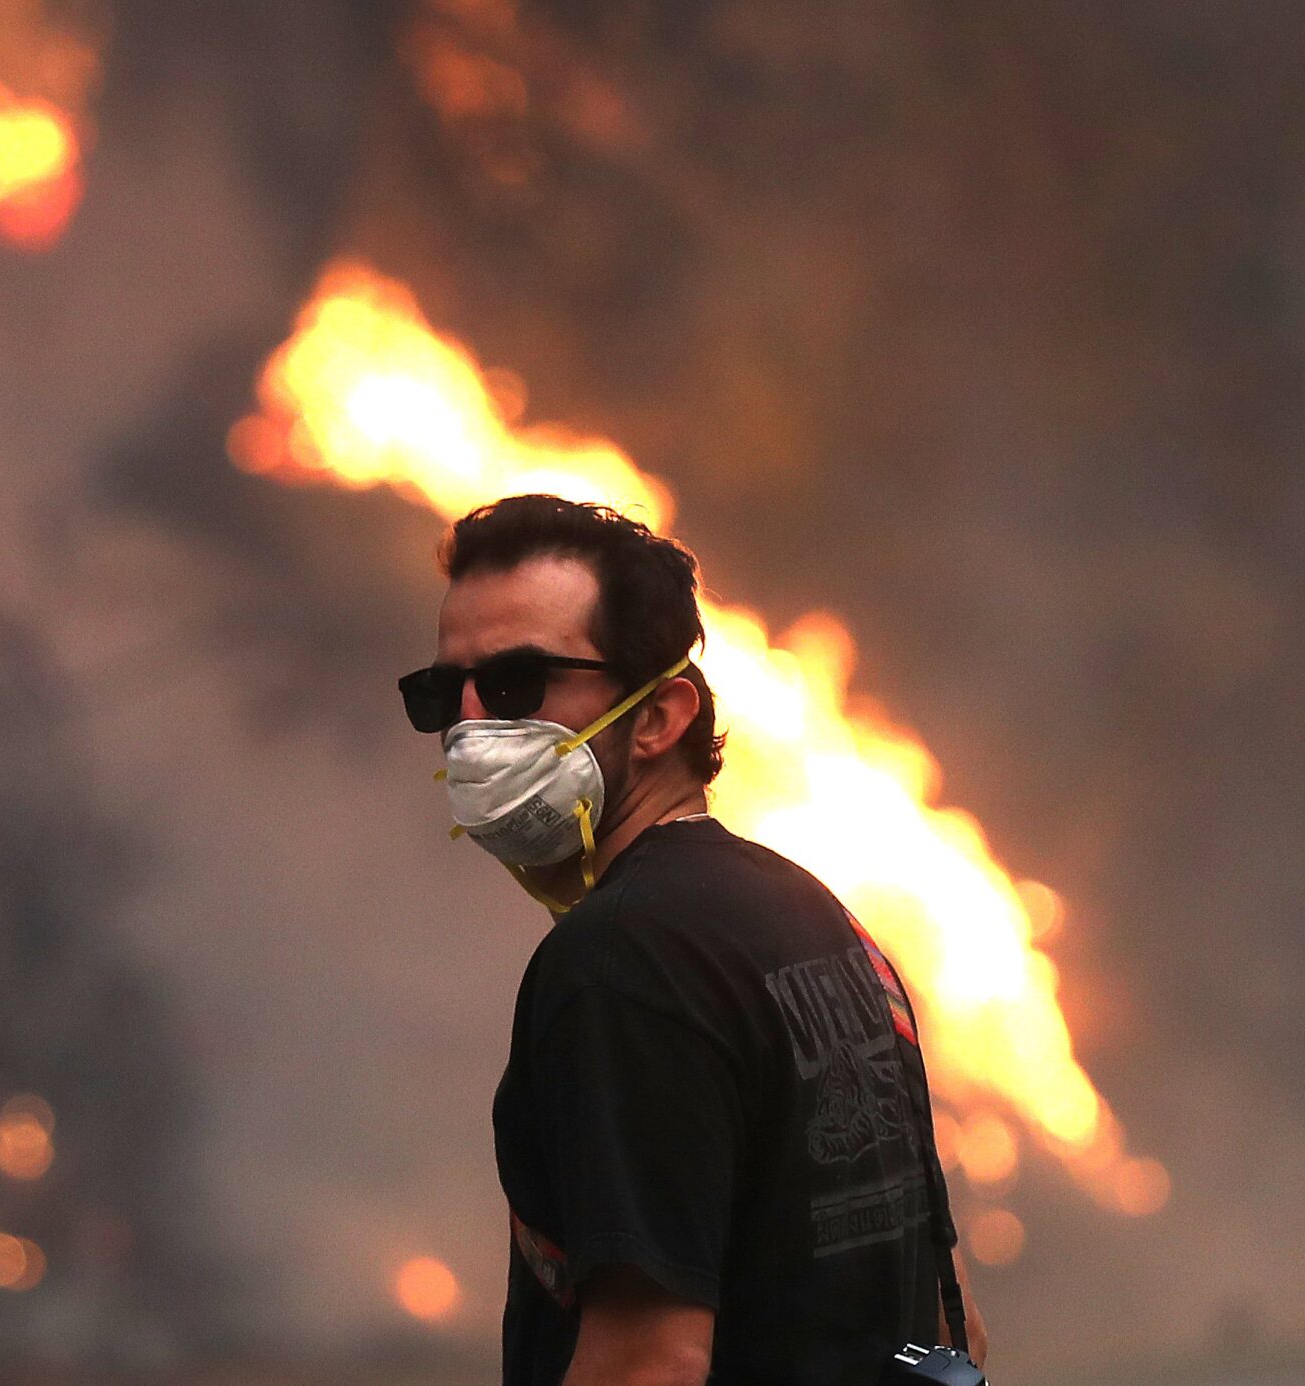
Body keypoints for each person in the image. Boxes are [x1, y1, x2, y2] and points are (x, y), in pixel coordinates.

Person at [398, 495, 988, 1386]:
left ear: (658, 716)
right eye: (444, 694)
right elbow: (954, 1327)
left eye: (518, 684)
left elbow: (647, 1367)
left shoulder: (619, 964)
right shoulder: (822, 922)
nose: (473, 726)